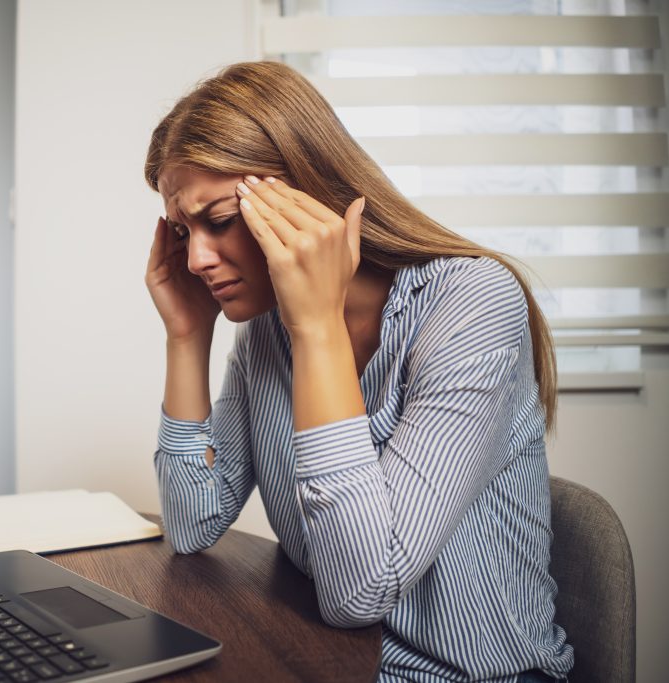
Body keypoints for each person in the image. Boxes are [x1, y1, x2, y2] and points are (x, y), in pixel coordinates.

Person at [143, 61, 573, 683]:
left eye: (220, 220)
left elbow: (359, 592)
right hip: (328, 662)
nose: (198, 259)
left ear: (310, 195)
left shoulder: (473, 303)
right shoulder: (264, 329)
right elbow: (192, 522)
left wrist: (318, 330)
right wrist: (186, 336)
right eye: (183, 232)